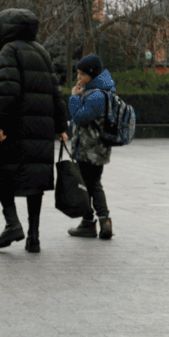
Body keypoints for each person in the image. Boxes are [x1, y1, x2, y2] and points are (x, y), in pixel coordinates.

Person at [0, 9, 68, 253]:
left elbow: (7, 90)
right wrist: (62, 127)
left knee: (2, 172)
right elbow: (55, 91)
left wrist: (0, 124)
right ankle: (34, 237)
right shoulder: (41, 51)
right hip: (41, 129)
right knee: (35, 181)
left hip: (15, 127)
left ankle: (12, 224)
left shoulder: (9, 50)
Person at [66, 54, 114, 240]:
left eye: (82, 74)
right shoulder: (102, 91)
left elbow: (81, 117)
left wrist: (74, 98)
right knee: (93, 184)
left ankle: (90, 223)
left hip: (89, 149)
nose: (79, 78)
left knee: (87, 185)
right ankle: (103, 222)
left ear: (93, 75)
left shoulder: (96, 95)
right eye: (78, 73)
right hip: (97, 148)